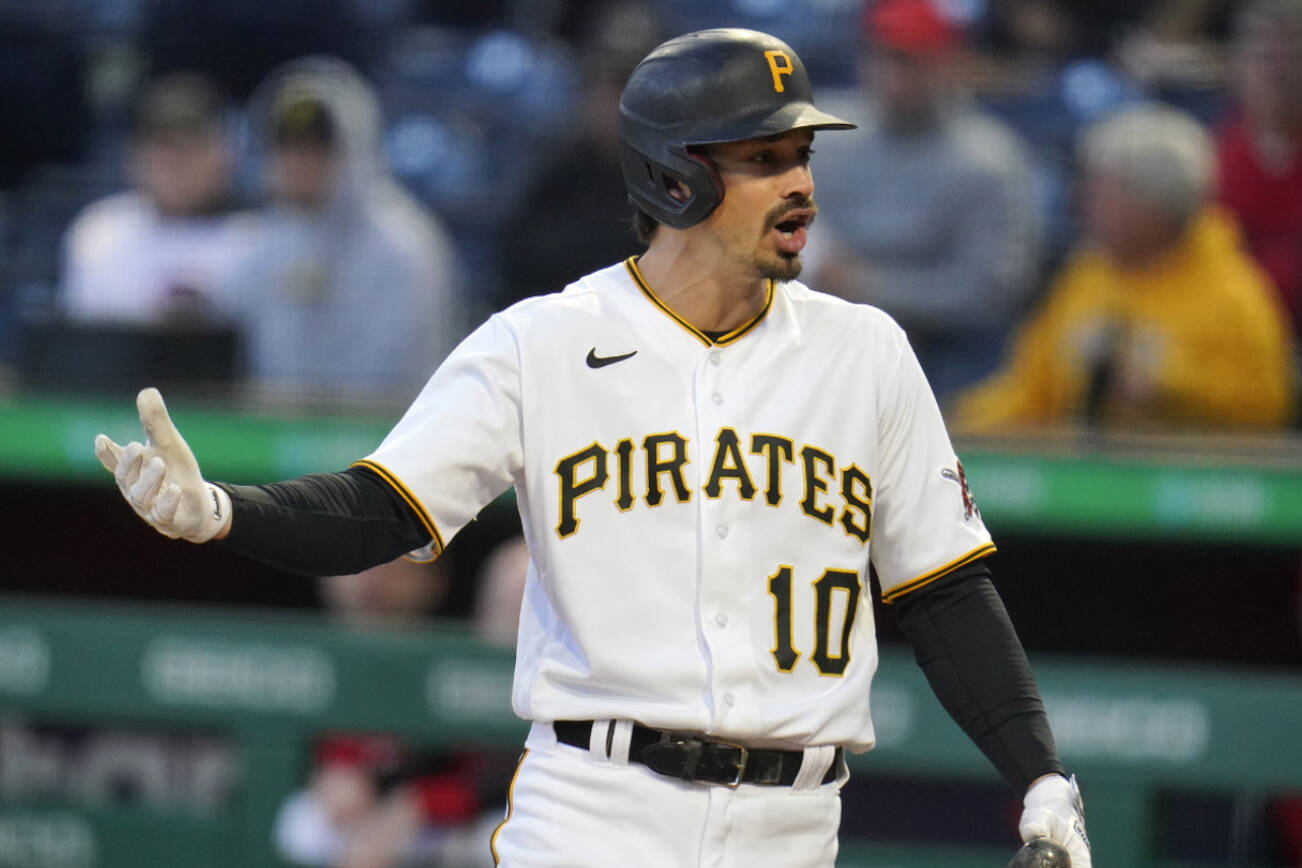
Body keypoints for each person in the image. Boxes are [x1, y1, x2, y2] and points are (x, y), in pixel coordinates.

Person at [93, 29, 1091, 868]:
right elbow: (382, 509)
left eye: (803, 156)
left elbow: (946, 587)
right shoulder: (542, 343)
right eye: (764, 159)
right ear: (676, 177)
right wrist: (226, 510)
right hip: (597, 812)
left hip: (795, 827)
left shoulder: (865, 352)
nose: (801, 187)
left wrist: (1041, 772)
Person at [956, 103, 1295, 432]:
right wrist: (958, 423)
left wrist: (1168, 383)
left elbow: (1266, 407)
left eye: (1102, 189)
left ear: (1152, 201)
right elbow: (1031, 389)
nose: (1083, 202)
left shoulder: (1233, 294)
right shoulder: (1087, 275)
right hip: (1082, 474)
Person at [806, 0, 1041, 397]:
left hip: (944, 350)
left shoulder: (991, 160)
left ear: (949, 63)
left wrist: (869, 286)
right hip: (823, 330)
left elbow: (991, 292)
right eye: (885, 56)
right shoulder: (823, 136)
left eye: (913, 59)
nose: (895, 74)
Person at [227, 57, 464, 401]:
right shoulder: (262, 243)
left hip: (384, 433)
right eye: (287, 147)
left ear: (354, 149)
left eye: (316, 149)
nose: (298, 164)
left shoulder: (404, 246)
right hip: (271, 435)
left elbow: (396, 376)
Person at [61, 73, 250, 325]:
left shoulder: (254, 240)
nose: (175, 163)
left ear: (224, 156)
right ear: (134, 157)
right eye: (163, 146)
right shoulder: (100, 233)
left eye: (189, 147)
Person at [1215, 0, 1302, 339]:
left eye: (1296, 57)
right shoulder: (1207, 164)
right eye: (1267, 58)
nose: (1282, 74)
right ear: (1236, 67)